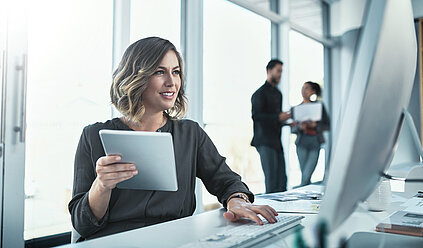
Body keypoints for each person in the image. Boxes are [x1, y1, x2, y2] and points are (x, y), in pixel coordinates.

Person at [68, 37, 278, 242]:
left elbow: (227, 181)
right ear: (135, 76)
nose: (172, 82)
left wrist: (237, 201)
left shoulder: (190, 134)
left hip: (175, 239)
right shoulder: (93, 136)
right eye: (160, 72)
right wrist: (102, 186)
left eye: (176, 72)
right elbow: (82, 224)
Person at [251, 59, 290, 194]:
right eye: (278, 71)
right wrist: (278, 117)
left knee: (282, 181)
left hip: (276, 142)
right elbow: (257, 117)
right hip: (264, 141)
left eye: (281, 72)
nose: (280, 74)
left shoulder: (278, 94)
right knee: (272, 181)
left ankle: (283, 213)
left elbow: (276, 119)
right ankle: (271, 214)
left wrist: (287, 122)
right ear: (269, 71)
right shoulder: (259, 94)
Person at [292, 81, 330, 186]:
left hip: (315, 142)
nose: (303, 91)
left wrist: (315, 126)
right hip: (301, 143)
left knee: (306, 175)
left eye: (307, 88)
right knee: (305, 175)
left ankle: (302, 194)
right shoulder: (296, 108)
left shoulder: (319, 107)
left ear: (313, 91)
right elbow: (292, 129)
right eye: (303, 88)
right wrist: (299, 127)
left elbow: (327, 125)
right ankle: (306, 198)